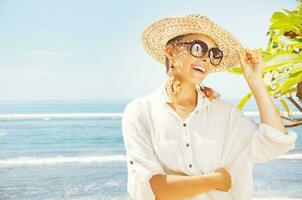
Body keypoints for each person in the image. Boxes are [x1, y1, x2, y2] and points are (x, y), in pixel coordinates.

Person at [121, 13, 298, 200]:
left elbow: (275, 142)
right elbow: (152, 190)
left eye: (214, 54)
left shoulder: (224, 113)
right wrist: (217, 180)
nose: (206, 59)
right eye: (198, 48)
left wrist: (256, 84)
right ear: (171, 51)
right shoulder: (140, 112)